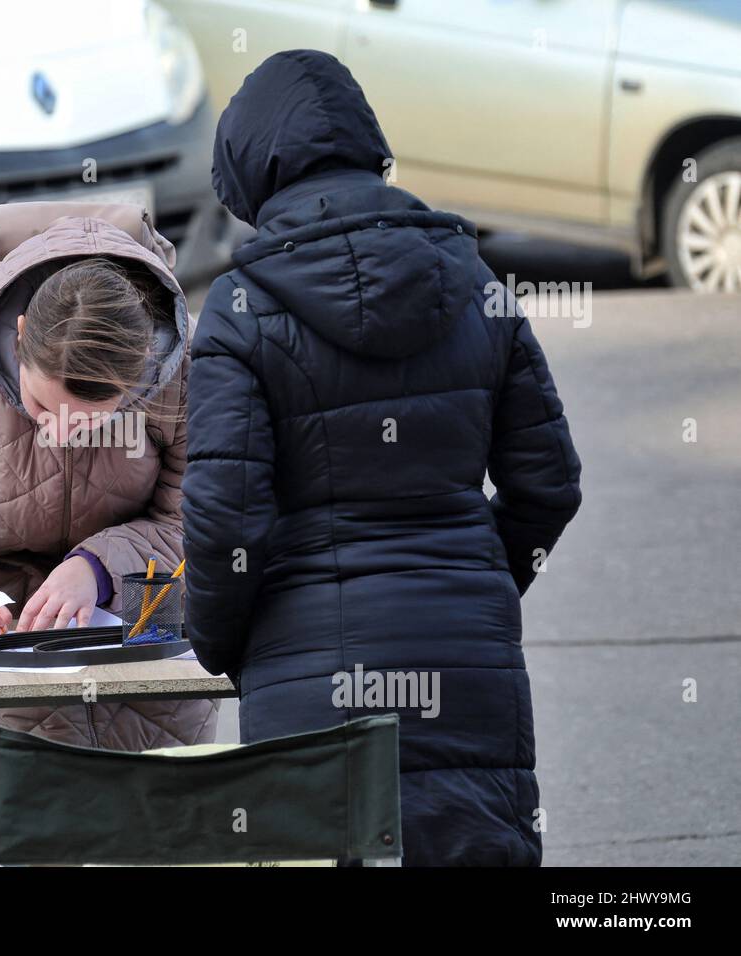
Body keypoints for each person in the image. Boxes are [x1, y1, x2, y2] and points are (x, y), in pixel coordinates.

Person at [181, 50, 581, 865]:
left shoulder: (239, 310)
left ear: (249, 170)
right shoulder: (473, 279)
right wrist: (475, 574)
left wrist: (225, 643)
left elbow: (228, 520)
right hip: (467, 658)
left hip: (306, 675)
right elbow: (549, 484)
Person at [0, 200, 219, 752]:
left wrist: (99, 569)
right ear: (21, 333)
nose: (58, 434)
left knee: (160, 820)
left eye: (89, 420)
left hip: (151, 615)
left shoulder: (192, 364)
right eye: (40, 405)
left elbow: (207, 521)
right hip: (7, 640)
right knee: (23, 818)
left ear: (143, 370)